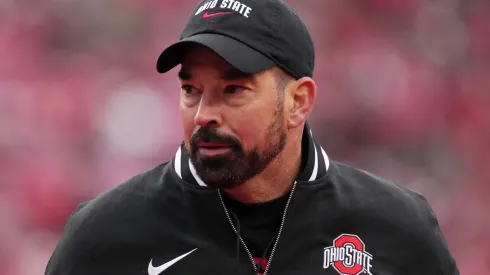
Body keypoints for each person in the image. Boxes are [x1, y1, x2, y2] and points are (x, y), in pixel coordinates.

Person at [45, 0, 459, 274]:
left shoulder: (398, 226)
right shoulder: (103, 234)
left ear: (299, 101)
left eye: (233, 90)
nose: (204, 114)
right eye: (191, 90)